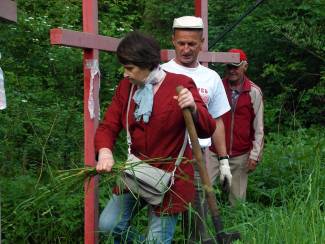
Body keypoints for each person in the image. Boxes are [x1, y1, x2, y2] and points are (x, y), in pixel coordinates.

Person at [95, 31, 217, 243]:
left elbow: (207, 129)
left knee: (157, 240)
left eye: (130, 68)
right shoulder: (127, 88)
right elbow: (108, 126)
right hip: (135, 172)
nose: (125, 74)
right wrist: (105, 151)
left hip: (171, 179)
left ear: (146, 64)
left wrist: (194, 108)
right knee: (108, 225)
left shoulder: (180, 84)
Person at [161, 16, 232, 243]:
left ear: (202, 43)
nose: (186, 49)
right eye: (181, 43)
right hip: (167, 156)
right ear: (173, 40)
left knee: (196, 219)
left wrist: (223, 161)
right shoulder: (160, 73)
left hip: (198, 156)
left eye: (192, 44)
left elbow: (218, 121)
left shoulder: (211, 78)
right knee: (162, 217)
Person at [206, 48, 264, 206]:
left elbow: (258, 127)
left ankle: (236, 227)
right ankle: (202, 227)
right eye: (229, 67)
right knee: (203, 192)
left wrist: (254, 155)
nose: (232, 70)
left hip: (240, 154)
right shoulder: (217, 87)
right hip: (213, 152)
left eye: (236, 66)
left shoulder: (253, 92)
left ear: (245, 66)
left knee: (237, 202)